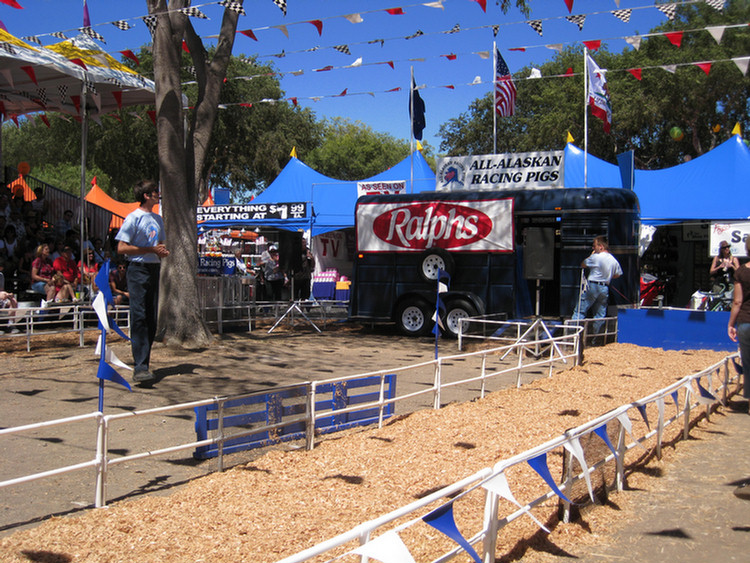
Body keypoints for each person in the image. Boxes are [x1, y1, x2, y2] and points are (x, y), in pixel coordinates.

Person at [116, 180, 169, 384]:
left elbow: (159, 243)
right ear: (146, 195)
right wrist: (150, 250)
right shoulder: (133, 218)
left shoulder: (158, 219)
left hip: (154, 268)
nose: (158, 194)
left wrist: (161, 251)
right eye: (155, 191)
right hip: (137, 269)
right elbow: (121, 248)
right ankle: (139, 367)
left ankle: (144, 363)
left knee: (151, 317)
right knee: (138, 315)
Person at [572, 235, 623, 335]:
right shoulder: (613, 260)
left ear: (601, 247)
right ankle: (595, 338)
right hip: (604, 287)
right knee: (600, 314)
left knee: (580, 311)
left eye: (594, 246)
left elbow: (583, 264)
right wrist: (607, 276)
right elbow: (617, 274)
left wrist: (591, 255)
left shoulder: (595, 257)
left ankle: (573, 334)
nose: (593, 248)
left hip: (593, 286)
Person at [728, 236, 750, 411]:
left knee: (748, 364)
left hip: (746, 322)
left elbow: (737, 302)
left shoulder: (741, 272)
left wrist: (730, 324)